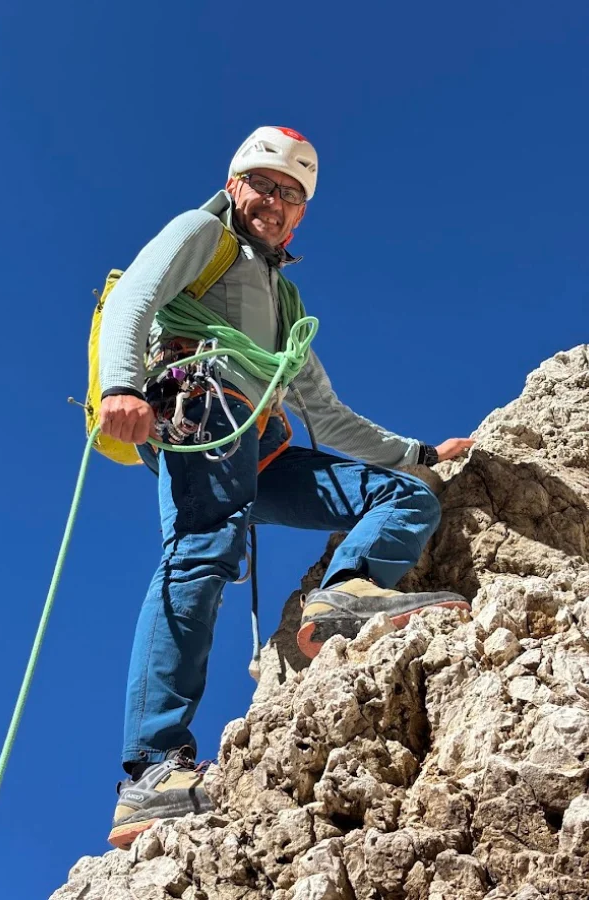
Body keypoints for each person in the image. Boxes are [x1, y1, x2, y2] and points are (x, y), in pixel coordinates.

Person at [98, 126, 474, 849]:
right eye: (263, 184)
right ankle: (151, 771)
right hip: (202, 413)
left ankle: (347, 595)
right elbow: (136, 298)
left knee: (403, 495)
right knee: (200, 556)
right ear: (235, 185)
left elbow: (325, 414)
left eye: (290, 193)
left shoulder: (286, 299)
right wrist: (121, 384)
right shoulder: (201, 235)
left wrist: (421, 452)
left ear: (301, 213)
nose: (274, 200)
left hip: (259, 448)